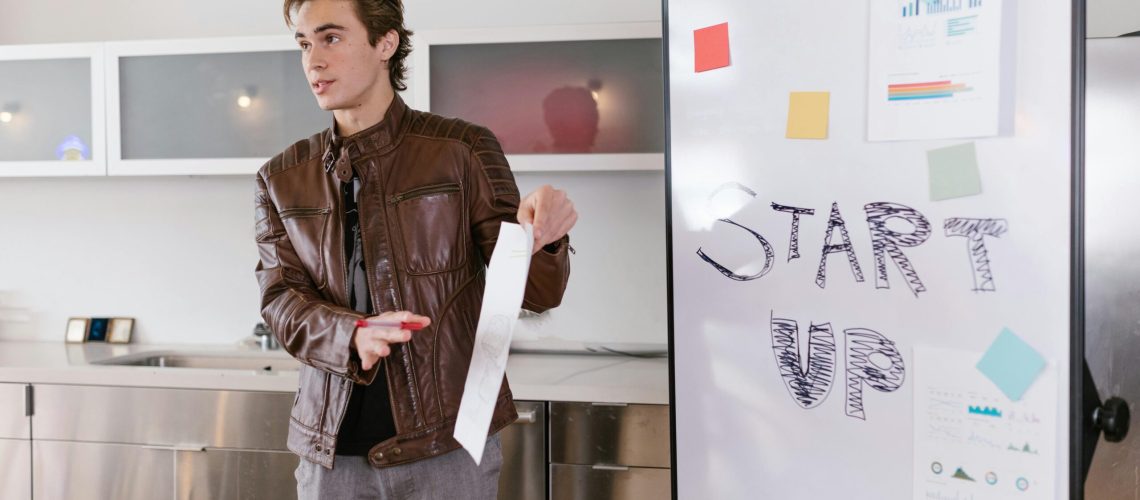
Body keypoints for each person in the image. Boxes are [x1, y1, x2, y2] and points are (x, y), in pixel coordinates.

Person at [254, 0, 577, 497]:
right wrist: (351, 334)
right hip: (329, 460)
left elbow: (532, 293)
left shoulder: (462, 149)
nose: (312, 60)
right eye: (304, 43)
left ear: (386, 43)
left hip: (447, 449)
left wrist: (546, 236)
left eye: (331, 38)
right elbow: (280, 301)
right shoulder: (280, 178)